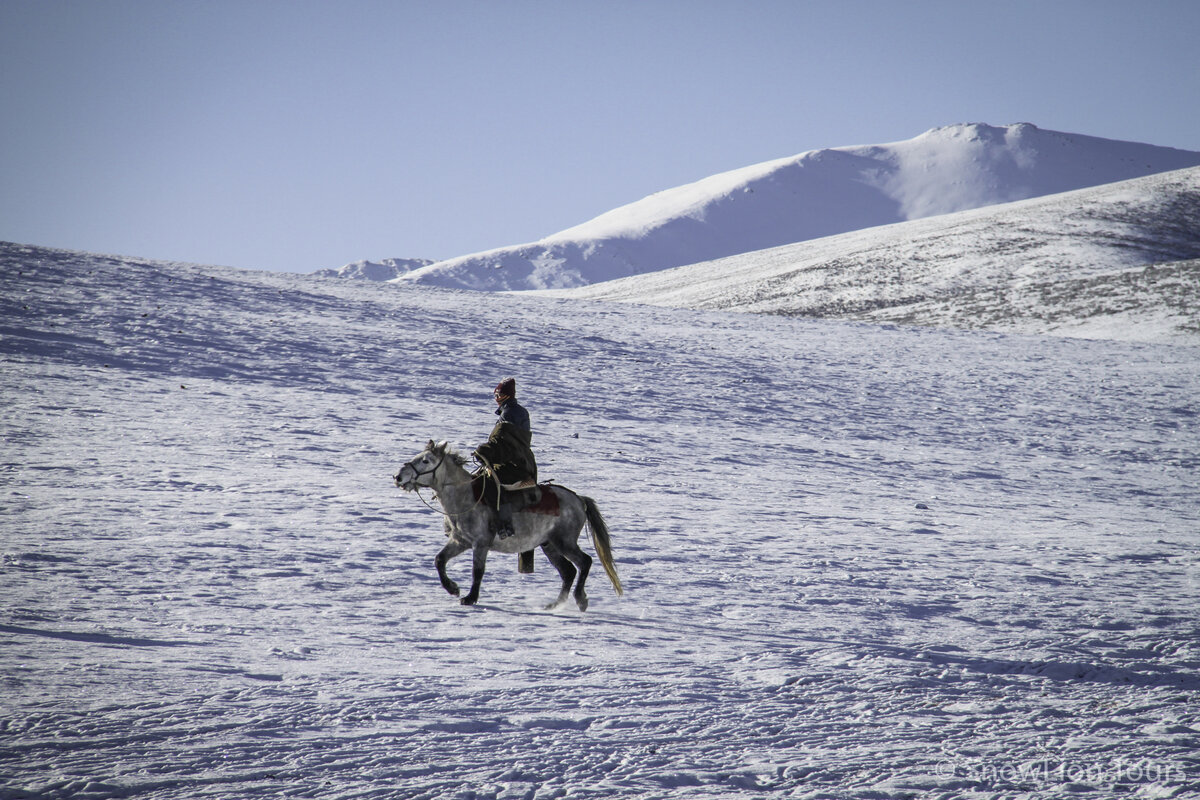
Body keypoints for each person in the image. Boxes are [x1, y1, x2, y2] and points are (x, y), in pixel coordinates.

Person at [473, 378, 538, 544]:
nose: (495, 398)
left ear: (504, 395)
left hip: (515, 465)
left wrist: (484, 452)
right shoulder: (518, 411)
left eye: (498, 394)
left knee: (489, 483)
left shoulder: (508, 414)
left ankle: (504, 525)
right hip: (523, 462)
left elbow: (503, 443)